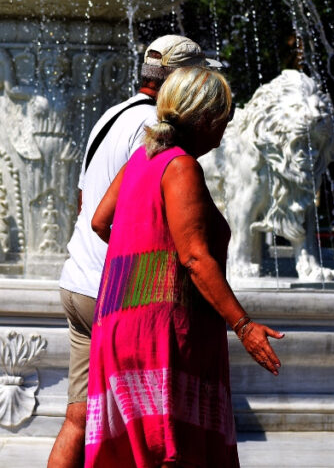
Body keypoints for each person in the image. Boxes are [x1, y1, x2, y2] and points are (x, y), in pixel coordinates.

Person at [85, 67, 284, 467]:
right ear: (207, 119)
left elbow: (100, 221)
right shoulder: (180, 167)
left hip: (119, 325)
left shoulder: (142, 158)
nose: (226, 128)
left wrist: (148, 264)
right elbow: (195, 257)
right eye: (224, 119)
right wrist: (244, 326)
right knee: (173, 453)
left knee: (136, 456)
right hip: (163, 335)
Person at [49, 35, 221, 468]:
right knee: (150, 437)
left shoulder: (110, 115)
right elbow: (151, 226)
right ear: (183, 82)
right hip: (119, 293)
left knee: (79, 420)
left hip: (78, 279)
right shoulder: (156, 133)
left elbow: (88, 203)